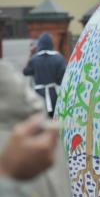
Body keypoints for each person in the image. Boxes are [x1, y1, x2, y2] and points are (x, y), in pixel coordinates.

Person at [0, 60, 71, 196]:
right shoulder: (45, 138)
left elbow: (26, 71)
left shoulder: (36, 58)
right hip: (50, 97)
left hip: (40, 93)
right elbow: (63, 75)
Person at [23, 33, 67, 117]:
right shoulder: (59, 58)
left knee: (41, 119)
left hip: (38, 95)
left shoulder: (34, 59)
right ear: (51, 44)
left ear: (40, 44)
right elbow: (62, 78)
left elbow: (25, 72)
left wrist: (31, 54)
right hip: (54, 94)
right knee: (54, 118)